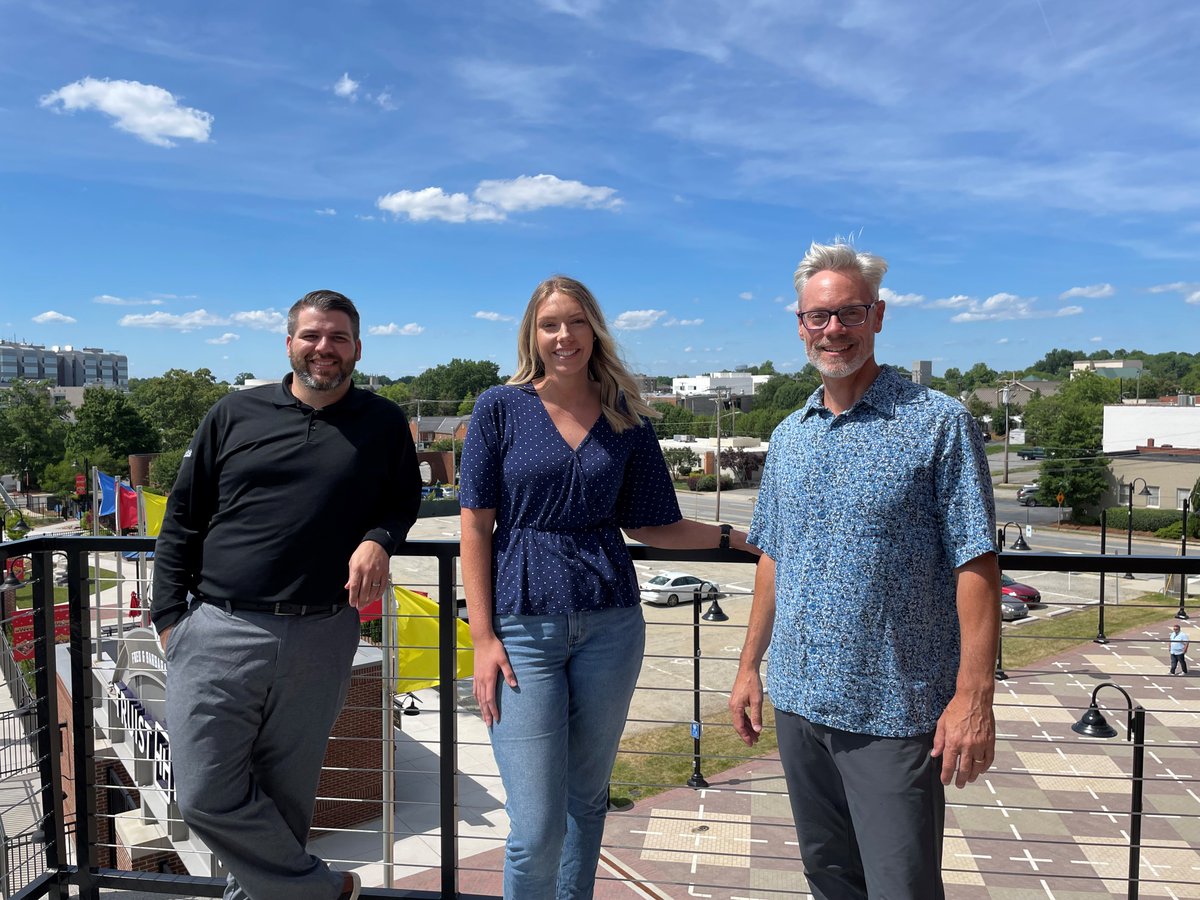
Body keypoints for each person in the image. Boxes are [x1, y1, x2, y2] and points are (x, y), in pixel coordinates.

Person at [459, 275, 756, 899]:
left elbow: (654, 523)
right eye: (549, 325)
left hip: (611, 624)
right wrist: (481, 634)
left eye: (574, 322)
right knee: (536, 825)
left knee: (586, 801)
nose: (563, 336)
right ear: (532, 336)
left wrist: (740, 539)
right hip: (522, 626)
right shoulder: (499, 407)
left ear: (594, 329)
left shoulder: (627, 416)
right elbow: (476, 525)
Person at [729, 242, 1000, 900]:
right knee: (829, 879)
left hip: (894, 710)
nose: (833, 330)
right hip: (798, 701)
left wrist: (974, 697)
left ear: (877, 317)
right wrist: (748, 666)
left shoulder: (938, 424)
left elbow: (977, 562)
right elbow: (773, 555)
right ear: (799, 326)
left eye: (849, 313)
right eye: (818, 317)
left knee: (900, 886)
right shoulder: (791, 433)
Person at [150, 290, 421, 900]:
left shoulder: (381, 423)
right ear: (290, 342)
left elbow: (402, 502)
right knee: (203, 795)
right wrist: (170, 617)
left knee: (286, 802)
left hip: (323, 632)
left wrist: (379, 538)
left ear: (357, 348)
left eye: (338, 338)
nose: (324, 349)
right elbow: (183, 520)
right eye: (312, 336)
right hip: (220, 627)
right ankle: (325, 891)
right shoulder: (233, 414)